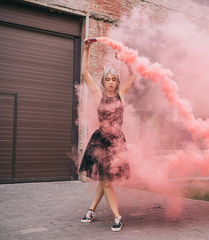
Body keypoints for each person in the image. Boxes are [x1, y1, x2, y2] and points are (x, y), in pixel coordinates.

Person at [79, 37, 136, 232]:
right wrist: (86, 50)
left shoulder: (122, 93)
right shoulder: (98, 95)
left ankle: (91, 210)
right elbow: (85, 73)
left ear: (117, 81)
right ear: (104, 81)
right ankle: (117, 217)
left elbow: (133, 75)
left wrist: (124, 59)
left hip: (117, 143)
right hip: (100, 143)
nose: (111, 82)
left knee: (104, 181)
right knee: (106, 182)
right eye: (108, 79)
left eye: (114, 79)